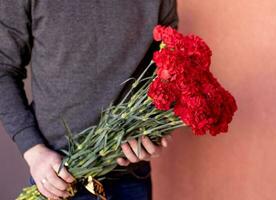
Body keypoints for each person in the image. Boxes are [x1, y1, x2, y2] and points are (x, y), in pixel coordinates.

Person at [0, 0, 178, 199]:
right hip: (58, 174)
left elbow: (168, 70)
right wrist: (34, 151)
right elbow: (3, 68)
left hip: (130, 176)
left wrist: (153, 134)